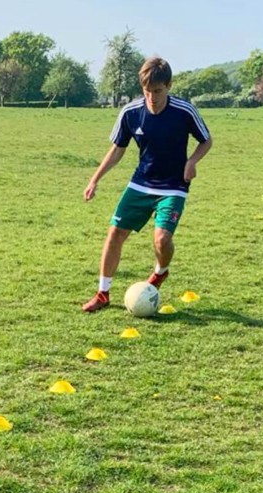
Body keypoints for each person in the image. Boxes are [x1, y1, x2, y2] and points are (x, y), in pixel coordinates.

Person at [81, 56, 213, 312]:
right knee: (114, 234)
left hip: (174, 186)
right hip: (141, 184)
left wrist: (192, 161)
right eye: (147, 91)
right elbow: (117, 149)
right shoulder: (131, 112)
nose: (152, 97)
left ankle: (160, 272)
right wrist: (95, 179)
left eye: (158, 91)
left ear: (169, 86)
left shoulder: (184, 111)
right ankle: (103, 294)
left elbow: (206, 140)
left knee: (162, 240)